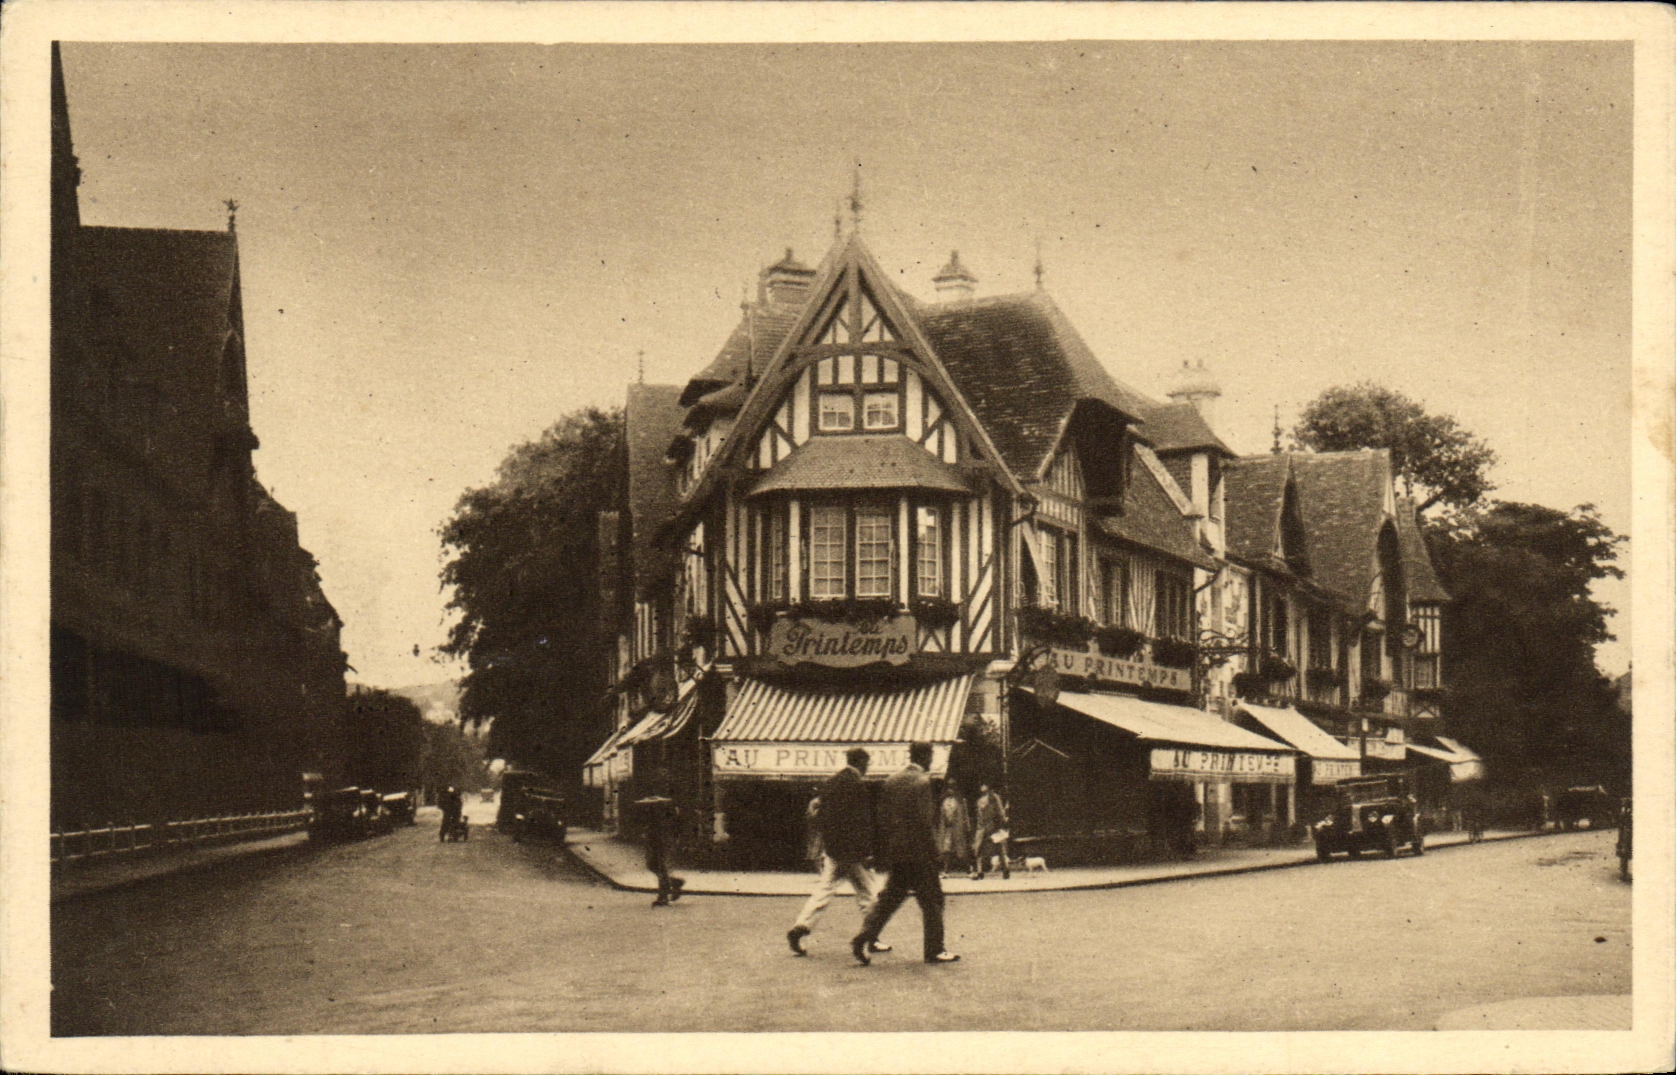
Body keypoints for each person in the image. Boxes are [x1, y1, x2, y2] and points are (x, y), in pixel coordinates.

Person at [851, 742, 959, 966]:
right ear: (925, 757)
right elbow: (924, 822)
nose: (930, 761)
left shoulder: (892, 781)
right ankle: (935, 950)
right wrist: (935, 853)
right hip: (920, 853)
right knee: (933, 901)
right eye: (929, 756)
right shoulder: (923, 783)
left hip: (897, 852)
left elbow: (882, 819)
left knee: (890, 899)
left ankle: (864, 935)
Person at [786, 748, 891, 957]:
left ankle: (801, 926)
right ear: (860, 762)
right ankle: (871, 938)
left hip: (834, 851)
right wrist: (866, 852)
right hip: (854, 854)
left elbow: (821, 816)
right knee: (869, 894)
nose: (867, 768)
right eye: (867, 763)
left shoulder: (831, 783)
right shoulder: (858, 786)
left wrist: (830, 844)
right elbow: (861, 823)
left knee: (823, 891)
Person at [637, 778, 685, 908]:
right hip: (656, 841)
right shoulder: (653, 814)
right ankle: (675, 882)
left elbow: (670, 828)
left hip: (661, 842)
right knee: (652, 865)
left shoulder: (663, 814)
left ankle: (663, 897)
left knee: (660, 867)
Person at [971, 783, 1010, 880]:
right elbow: (999, 812)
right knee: (985, 848)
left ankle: (1003, 869)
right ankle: (981, 871)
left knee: (991, 848)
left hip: (987, 827)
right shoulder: (986, 799)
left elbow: (999, 811)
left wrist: (1002, 820)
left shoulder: (988, 798)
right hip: (987, 827)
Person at [937, 786, 972, 876]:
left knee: (961, 850)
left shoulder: (960, 801)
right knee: (946, 849)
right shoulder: (944, 802)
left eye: (952, 788)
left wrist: (967, 826)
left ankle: (968, 869)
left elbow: (965, 815)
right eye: (948, 789)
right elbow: (942, 816)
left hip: (958, 828)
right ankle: (945, 870)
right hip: (948, 829)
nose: (950, 791)